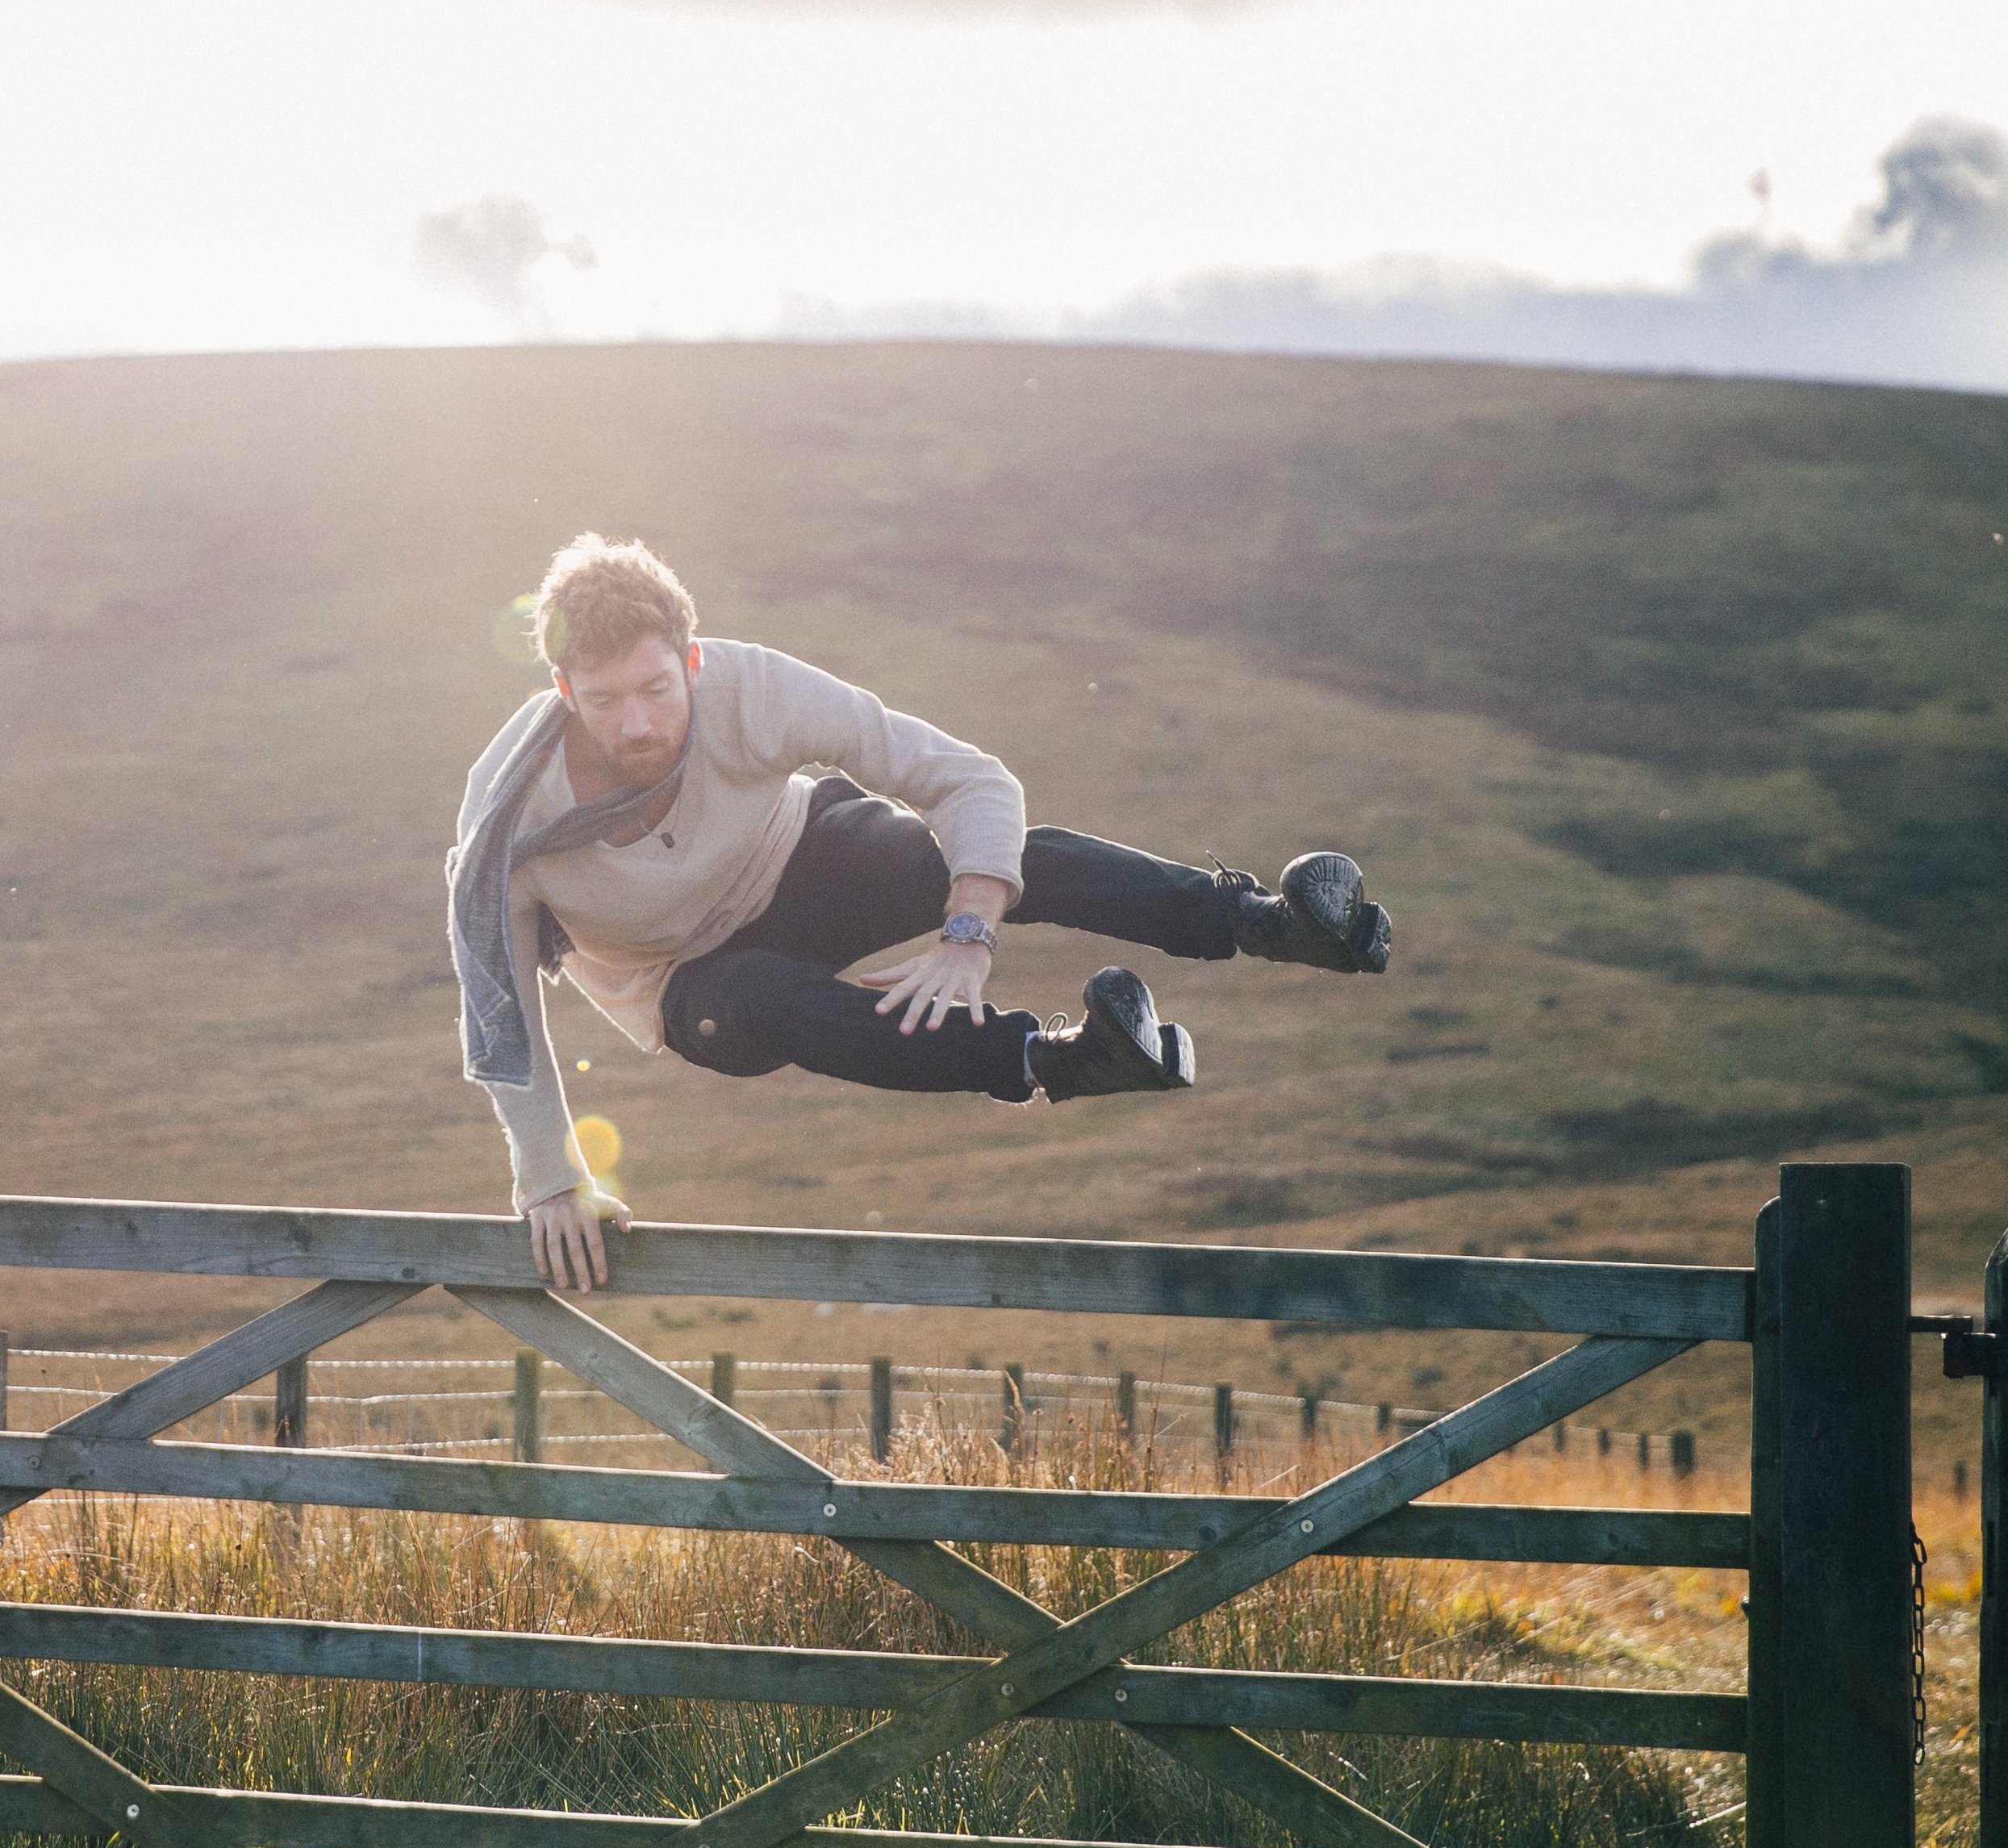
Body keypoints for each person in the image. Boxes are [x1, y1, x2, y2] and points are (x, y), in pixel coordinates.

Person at [452, 535, 1393, 1291]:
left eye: (658, 689)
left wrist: (968, 930)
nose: (640, 723)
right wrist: (551, 1181)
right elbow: (502, 1013)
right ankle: (1060, 1060)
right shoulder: (508, 818)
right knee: (770, 995)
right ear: (563, 693)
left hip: (801, 857)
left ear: (694, 663)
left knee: (966, 847)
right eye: (606, 702)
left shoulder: (754, 689)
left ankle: (1264, 921)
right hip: (684, 979)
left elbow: (966, 779)